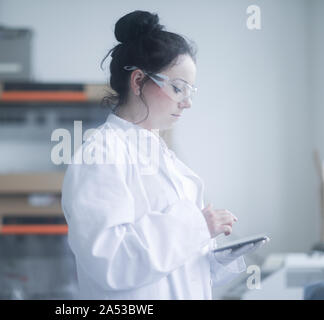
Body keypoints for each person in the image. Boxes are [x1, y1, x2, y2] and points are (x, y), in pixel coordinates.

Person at [61, 10, 266, 300]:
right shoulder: (101, 155)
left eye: (191, 90)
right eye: (178, 88)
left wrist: (213, 254)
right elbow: (111, 262)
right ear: (138, 81)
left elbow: (170, 264)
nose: (188, 103)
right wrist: (197, 225)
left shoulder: (161, 156)